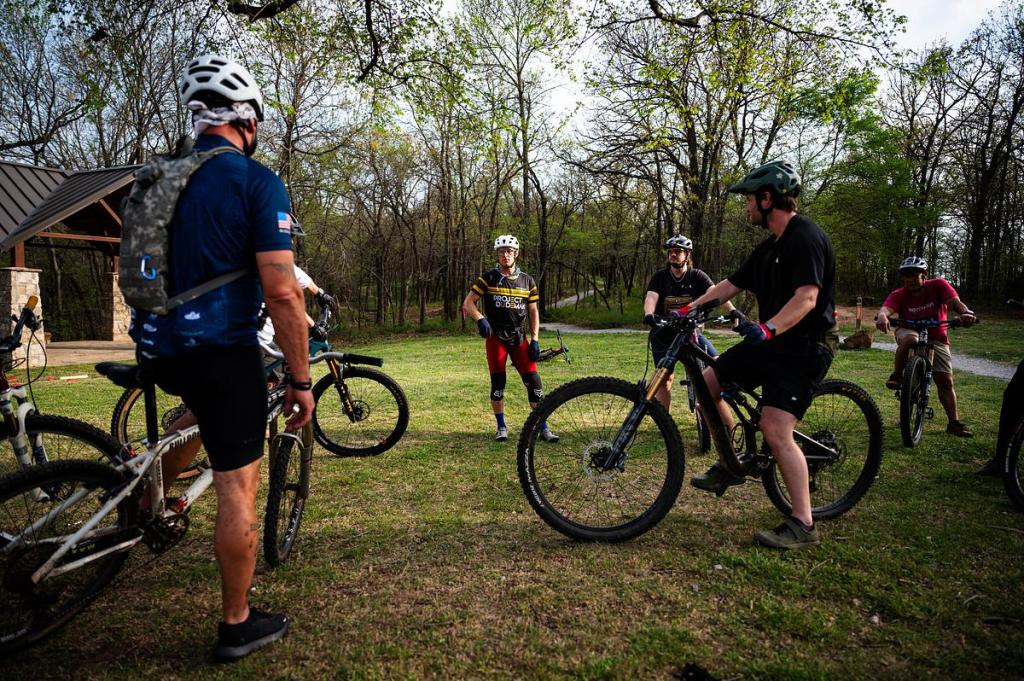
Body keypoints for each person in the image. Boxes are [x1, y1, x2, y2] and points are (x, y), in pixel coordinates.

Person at [129, 54, 312, 661]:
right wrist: (301, 376)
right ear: (249, 121)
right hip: (222, 352)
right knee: (238, 483)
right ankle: (237, 623)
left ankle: (147, 499)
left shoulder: (159, 178)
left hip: (158, 347)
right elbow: (281, 292)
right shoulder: (256, 182)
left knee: (196, 415)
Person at [686, 160, 837, 550]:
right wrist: (686, 311)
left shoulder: (806, 238)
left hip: (806, 346)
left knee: (775, 429)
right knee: (708, 383)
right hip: (771, 342)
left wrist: (768, 328)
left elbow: (807, 298)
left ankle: (803, 523)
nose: (747, 207)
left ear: (768, 198)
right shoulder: (767, 247)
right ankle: (732, 463)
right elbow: (729, 285)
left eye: (750, 200)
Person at [462, 235, 558, 443]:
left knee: (534, 382)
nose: (505, 255)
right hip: (496, 337)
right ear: (497, 254)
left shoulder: (527, 281)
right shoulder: (488, 278)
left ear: (516, 254)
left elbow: (533, 312)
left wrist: (535, 339)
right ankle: (501, 426)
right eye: (501, 252)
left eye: (509, 251)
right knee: (498, 384)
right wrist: (480, 319)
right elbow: (468, 303)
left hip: (518, 337)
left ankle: (543, 427)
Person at [875, 256, 977, 438]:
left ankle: (953, 423)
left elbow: (954, 302)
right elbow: (886, 309)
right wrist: (883, 316)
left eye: (914, 275)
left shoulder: (938, 285)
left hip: (937, 337)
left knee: (945, 381)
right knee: (911, 340)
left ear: (924, 275)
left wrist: (966, 313)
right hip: (909, 331)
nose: (910, 280)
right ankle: (898, 375)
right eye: (906, 276)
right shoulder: (899, 294)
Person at [642, 234, 735, 410]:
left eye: (677, 251)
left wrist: (733, 311)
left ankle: (715, 409)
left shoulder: (697, 276)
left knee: (716, 364)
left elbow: (717, 293)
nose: (673, 255)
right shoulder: (660, 277)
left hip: (690, 333)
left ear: (687, 254)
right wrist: (649, 314)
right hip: (663, 334)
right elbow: (651, 297)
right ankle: (664, 420)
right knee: (664, 377)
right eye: (670, 251)